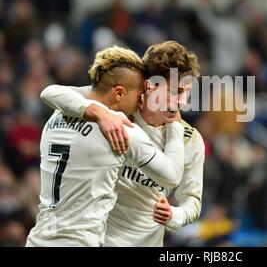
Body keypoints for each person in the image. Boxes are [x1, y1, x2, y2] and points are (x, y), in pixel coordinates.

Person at [40, 40, 205, 246]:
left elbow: (192, 201)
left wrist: (175, 215)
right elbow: (53, 92)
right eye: (175, 91)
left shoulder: (190, 140)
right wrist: (99, 113)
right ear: (149, 85)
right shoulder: (118, 111)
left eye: (187, 91)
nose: (182, 101)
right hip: (98, 239)